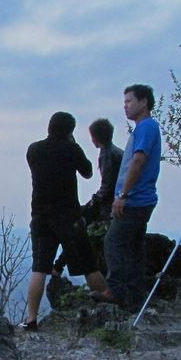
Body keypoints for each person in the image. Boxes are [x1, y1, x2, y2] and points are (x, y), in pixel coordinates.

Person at [21, 112, 114, 330]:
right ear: (70, 131)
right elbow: (88, 172)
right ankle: (109, 300)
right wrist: (73, 144)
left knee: (39, 268)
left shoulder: (33, 150)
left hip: (41, 217)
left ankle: (31, 319)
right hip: (69, 217)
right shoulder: (71, 149)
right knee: (88, 264)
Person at [98, 84, 161, 309]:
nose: (125, 106)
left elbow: (138, 161)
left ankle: (116, 291)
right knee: (133, 249)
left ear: (143, 102)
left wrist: (123, 194)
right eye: (124, 102)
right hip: (141, 199)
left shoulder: (146, 128)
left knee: (114, 242)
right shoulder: (146, 128)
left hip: (135, 199)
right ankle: (134, 298)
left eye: (129, 101)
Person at [52, 118, 124, 276]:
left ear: (95, 137)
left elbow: (107, 187)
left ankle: (58, 267)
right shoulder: (116, 151)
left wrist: (94, 201)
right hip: (116, 201)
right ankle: (58, 267)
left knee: (77, 225)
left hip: (108, 205)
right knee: (77, 224)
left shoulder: (107, 154)